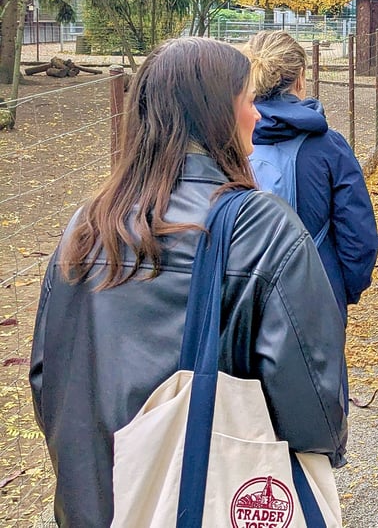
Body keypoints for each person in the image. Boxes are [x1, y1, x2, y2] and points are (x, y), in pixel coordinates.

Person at [30, 37, 350, 526]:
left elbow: (47, 376)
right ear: (216, 114)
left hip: (98, 499)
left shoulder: (88, 226)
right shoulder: (261, 227)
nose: (260, 117)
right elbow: (314, 404)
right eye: (248, 101)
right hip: (206, 495)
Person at [245, 30, 378, 311]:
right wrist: (342, 292)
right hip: (314, 294)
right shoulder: (329, 146)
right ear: (301, 78)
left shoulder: (226, 141)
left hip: (242, 295)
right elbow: (359, 234)